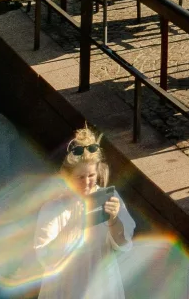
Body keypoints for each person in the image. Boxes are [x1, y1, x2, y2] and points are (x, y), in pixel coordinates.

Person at [31, 127, 134, 299]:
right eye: (80, 177)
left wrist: (114, 221)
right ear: (67, 176)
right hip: (66, 286)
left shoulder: (108, 198)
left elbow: (124, 245)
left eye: (91, 175)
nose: (87, 182)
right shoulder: (54, 208)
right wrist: (72, 228)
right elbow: (45, 259)